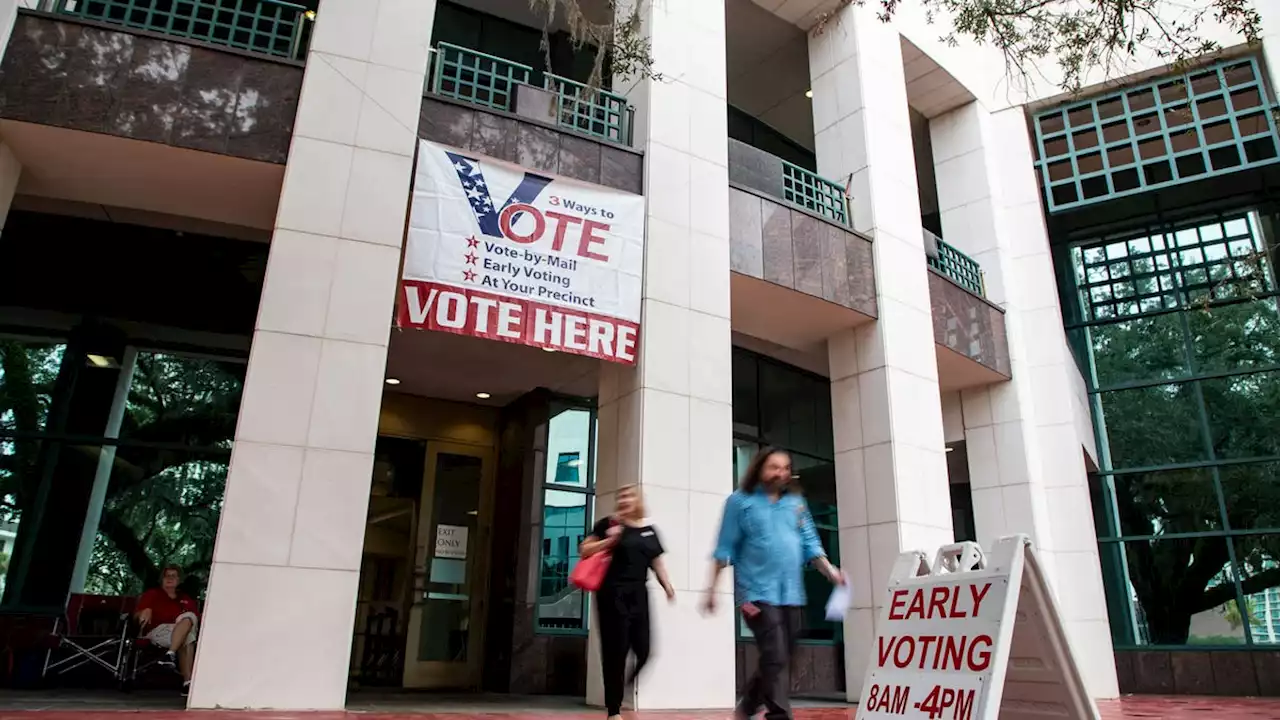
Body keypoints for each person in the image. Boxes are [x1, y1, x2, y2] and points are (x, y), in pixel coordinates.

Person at [703, 447, 844, 720]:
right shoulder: (739, 502)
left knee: (781, 656)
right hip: (755, 594)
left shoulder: (796, 504)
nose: (781, 473)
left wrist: (831, 572)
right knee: (776, 653)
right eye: (774, 467)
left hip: (791, 593)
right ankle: (778, 715)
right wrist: (711, 590)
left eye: (785, 468)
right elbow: (724, 548)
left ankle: (746, 707)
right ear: (759, 468)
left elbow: (810, 542)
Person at [580, 484, 676, 720]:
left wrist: (667, 586)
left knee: (644, 649)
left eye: (629, 496)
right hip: (611, 594)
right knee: (616, 651)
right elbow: (584, 550)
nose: (624, 500)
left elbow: (657, 563)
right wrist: (607, 542)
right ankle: (614, 710)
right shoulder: (608, 525)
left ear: (638, 501)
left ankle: (623, 684)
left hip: (638, 594)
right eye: (620, 496)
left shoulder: (650, 531)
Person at [135, 565, 200, 696]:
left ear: (179, 580)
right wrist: (144, 611)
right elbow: (136, 617)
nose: (170, 578)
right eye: (167, 575)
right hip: (157, 631)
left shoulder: (186, 599)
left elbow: (197, 620)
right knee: (188, 624)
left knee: (188, 630)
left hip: (179, 632)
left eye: (173, 576)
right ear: (161, 579)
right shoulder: (152, 594)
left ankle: (184, 679)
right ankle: (185, 679)